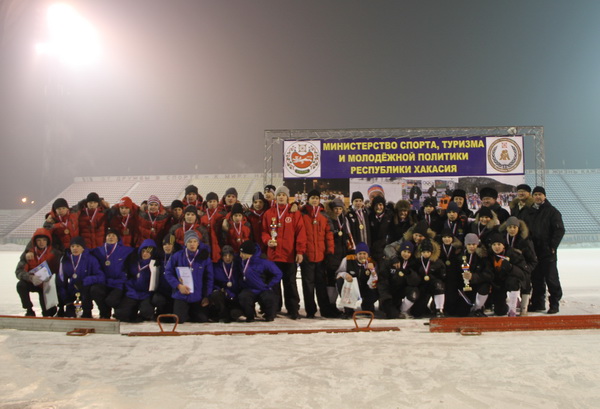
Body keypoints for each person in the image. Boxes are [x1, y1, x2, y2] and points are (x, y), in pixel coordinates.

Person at [261, 186, 306, 320]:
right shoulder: (269, 213)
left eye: (283, 195)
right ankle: (274, 309)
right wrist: (267, 240)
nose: (281, 197)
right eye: (279, 195)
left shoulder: (294, 213)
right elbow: (264, 231)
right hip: (273, 255)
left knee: (290, 283)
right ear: (276, 197)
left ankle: (293, 309)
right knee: (274, 284)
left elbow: (300, 234)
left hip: (289, 255)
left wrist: (300, 251)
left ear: (287, 197)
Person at [527, 186, 565, 314]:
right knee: (536, 278)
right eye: (535, 194)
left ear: (545, 196)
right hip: (533, 251)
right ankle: (538, 303)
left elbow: (559, 230)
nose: (538, 197)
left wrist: (552, 246)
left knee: (551, 278)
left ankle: (554, 303)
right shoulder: (530, 211)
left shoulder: (552, 211)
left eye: (540, 194)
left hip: (547, 251)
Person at [165, 230, 214, 323]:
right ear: (185, 243)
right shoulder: (177, 256)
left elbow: (209, 278)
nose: (192, 244)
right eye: (190, 241)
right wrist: (178, 285)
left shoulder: (204, 258)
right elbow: (168, 272)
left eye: (195, 241)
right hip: (181, 295)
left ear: (198, 243)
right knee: (179, 320)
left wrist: (207, 296)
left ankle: (190, 313)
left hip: (197, 296)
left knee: (202, 319)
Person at [299, 189, 335, 318]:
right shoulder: (302, 214)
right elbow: (299, 234)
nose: (314, 200)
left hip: (321, 256)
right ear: (308, 199)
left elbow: (329, 235)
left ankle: (325, 309)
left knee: (321, 285)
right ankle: (310, 310)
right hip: (307, 256)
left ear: (319, 200)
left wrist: (330, 252)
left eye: (316, 198)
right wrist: (301, 252)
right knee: (308, 285)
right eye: (312, 198)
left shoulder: (324, 215)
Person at [15, 228, 62, 317]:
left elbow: (60, 271)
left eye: (44, 240)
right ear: (34, 242)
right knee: (21, 285)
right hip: (33, 282)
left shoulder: (55, 253)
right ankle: (29, 309)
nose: (41, 243)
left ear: (48, 241)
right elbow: (19, 271)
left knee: (48, 313)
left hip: (47, 285)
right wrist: (30, 277)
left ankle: (54, 309)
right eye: (39, 240)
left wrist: (51, 280)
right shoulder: (28, 254)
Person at [91, 228, 135, 319]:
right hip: (104, 282)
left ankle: (120, 310)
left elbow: (140, 251)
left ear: (118, 238)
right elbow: (85, 252)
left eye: (113, 236)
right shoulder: (99, 250)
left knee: (111, 300)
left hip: (118, 283)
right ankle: (104, 313)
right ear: (105, 238)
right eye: (109, 235)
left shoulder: (125, 250)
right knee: (95, 290)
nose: (111, 237)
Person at [56, 236, 105, 318]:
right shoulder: (65, 260)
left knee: (89, 290)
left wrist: (85, 281)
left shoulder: (91, 259)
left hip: (86, 290)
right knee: (58, 285)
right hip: (72, 290)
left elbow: (101, 276)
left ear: (83, 248)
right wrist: (66, 298)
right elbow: (61, 280)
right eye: (72, 246)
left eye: (78, 246)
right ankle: (65, 307)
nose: (75, 248)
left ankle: (88, 310)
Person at [114, 239, 160, 322]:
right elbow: (127, 276)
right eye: (143, 251)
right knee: (120, 314)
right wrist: (129, 288)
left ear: (152, 253)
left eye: (148, 252)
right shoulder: (133, 261)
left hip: (146, 294)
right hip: (133, 292)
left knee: (147, 313)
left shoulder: (155, 265)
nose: (145, 254)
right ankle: (132, 310)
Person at [499, 216, 538, 315]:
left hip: (521, 270)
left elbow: (533, 260)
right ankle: (508, 306)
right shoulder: (502, 239)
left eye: (514, 227)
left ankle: (524, 308)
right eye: (510, 227)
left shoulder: (525, 241)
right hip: (507, 269)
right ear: (506, 228)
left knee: (526, 282)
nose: (512, 229)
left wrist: (527, 269)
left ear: (518, 228)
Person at [238, 240, 283, 322]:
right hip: (249, 289)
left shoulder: (263, 262)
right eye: (240, 253)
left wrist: (269, 284)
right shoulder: (241, 261)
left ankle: (269, 315)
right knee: (243, 297)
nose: (240, 255)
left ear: (250, 253)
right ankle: (250, 316)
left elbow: (278, 273)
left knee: (270, 298)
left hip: (263, 289)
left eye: (243, 253)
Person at [487, 232, 527, 316]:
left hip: (509, 281)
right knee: (500, 312)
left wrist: (511, 267)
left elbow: (522, 273)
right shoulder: (488, 255)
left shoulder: (512, 254)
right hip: (497, 284)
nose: (496, 247)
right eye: (494, 244)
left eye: (499, 244)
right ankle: (506, 306)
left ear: (503, 245)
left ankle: (512, 308)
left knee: (513, 281)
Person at [335, 242, 378, 317]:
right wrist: (345, 275)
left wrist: (373, 272)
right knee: (340, 280)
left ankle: (367, 305)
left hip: (365, 288)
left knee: (378, 285)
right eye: (360, 254)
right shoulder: (347, 259)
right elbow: (338, 274)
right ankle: (348, 308)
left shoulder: (371, 262)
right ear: (356, 254)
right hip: (352, 288)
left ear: (368, 255)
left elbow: (373, 284)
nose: (362, 256)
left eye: (364, 254)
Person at [455, 233, 493, 317]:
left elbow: (488, 274)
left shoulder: (483, 257)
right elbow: (455, 274)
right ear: (465, 245)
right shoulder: (460, 256)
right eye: (469, 244)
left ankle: (478, 308)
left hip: (478, 285)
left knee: (485, 286)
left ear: (477, 244)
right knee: (461, 312)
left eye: (474, 244)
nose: (471, 247)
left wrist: (473, 276)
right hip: (465, 288)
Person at [379, 241, 417, 319]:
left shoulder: (412, 263)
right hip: (388, 294)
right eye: (404, 251)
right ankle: (386, 307)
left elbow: (416, 282)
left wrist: (410, 273)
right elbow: (382, 281)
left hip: (399, 294)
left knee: (414, 292)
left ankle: (402, 310)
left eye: (409, 252)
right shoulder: (390, 261)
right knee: (392, 315)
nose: (406, 254)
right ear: (400, 251)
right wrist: (386, 297)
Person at [411, 238, 446, 318]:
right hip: (422, 286)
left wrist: (435, 275)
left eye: (428, 252)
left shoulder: (437, 261)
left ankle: (439, 309)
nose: (426, 254)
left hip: (434, 285)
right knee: (416, 312)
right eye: (424, 252)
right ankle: (424, 308)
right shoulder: (417, 261)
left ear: (431, 252)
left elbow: (442, 275)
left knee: (439, 285)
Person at [209, 245, 244, 323]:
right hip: (224, 296)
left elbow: (242, 282)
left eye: (230, 255)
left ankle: (231, 313)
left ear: (233, 256)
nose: (228, 258)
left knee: (235, 314)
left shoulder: (238, 266)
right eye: (225, 256)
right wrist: (220, 289)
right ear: (222, 256)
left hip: (235, 297)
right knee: (216, 294)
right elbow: (214, 282)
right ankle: (223, 315)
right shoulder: (216, 267)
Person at [368, 195, 393, 268]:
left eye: (380, 205)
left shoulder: (390, 216)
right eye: (376, 205)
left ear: (384, 205)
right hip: (373, 251)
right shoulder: (370, 217)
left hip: (385, 250)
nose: (378, 207)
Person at [200, 192, 226, 262]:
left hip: (218, 241)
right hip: (206, 241)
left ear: (217, 202)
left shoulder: (222, 214)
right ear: (207, 203)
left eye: (214, 201)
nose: (212, 203)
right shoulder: (202, 216)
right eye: (210, 201)